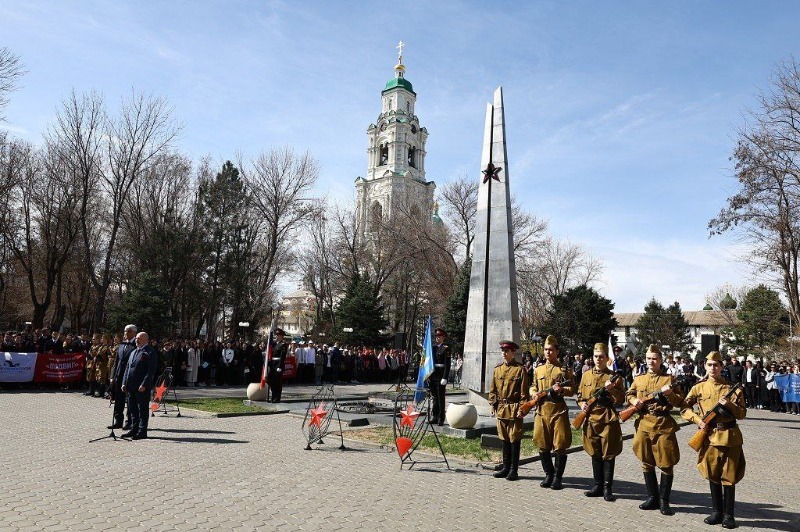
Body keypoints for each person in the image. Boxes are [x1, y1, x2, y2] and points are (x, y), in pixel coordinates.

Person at [681, 351, 747, 529]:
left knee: (729, 476)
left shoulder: (732, 389)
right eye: (709, 365)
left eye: (716, 365)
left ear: (722, 367)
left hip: (730, 437)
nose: (713, 368)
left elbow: (742, 414)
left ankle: (729, 515)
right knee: (713, 474)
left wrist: (729, 404)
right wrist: (698, 420)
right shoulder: (698, 388)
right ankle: (717, 512)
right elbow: (684, 408)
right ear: (705, 366)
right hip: (709, 436)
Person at [626, 344, 684, 516]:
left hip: (663, 424)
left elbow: (680, 401)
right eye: (649, 358)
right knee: (646, 461)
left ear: (660, 360)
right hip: (644, 423)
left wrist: (669, 394)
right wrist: (634, 401)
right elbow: (629, 394)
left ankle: (664, 501)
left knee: (666, 463)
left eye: (655, 359)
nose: (651, 361)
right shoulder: (639, 379)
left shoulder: (669, 379)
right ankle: (652, 497)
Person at [576, 343, 624, 501]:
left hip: (607, 418)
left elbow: (621, 399)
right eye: (596, 356)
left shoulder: (613, 376)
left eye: (601, 357)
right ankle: (597, 485)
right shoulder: (586, 375)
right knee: (594, 452)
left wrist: (612, 389)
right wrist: (582, 405)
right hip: (591, 418)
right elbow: (580, 396)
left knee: (608, 454)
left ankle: (607, 488)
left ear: (606, 358)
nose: (598, 359)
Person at [531, 335, 574, 490]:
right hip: (542, 411)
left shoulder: (563, 370)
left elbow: (572, 389)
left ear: (557, 351)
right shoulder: (538, 370)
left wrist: (561, 389)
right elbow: (533, 386)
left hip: (558, 411)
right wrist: (533, 393)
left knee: (560, 445)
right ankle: (548, 474)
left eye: (551, 350)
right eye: (545, 350)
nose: (548, 352)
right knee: (542, 445)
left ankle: (558, 478)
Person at [489, 340, 530, 481]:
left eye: (507, 351)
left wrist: (522, 409)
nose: (504, 353)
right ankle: (505, 467)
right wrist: (492, 404)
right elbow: (493, 390)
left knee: (514, 439)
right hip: (501, 408)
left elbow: (524, 394)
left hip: (514, 409)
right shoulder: (497, 369)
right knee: (504, 439)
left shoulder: (520, 370)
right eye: (502, 351)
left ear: (513, 353)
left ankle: (514, 470)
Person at [121, 332, 159, 440]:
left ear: (146, 340)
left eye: (139, 338)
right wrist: (124, 382)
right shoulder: (134, 351)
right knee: (132, 408)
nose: (137, 340)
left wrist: (144, 384)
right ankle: (134, 428)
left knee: (142, 409)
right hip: (131, 385)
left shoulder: (150, 352)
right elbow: (128, 368)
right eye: (136, 338)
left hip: (141, 387)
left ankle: (142, 431)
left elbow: (150, 371)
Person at [108, 325, 137, 430]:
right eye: (125, 331)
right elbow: (116, 362)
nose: (126, 333)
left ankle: (129, 422)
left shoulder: (136, 345)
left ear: (134, 333)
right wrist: (112, 375)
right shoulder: (121, 345)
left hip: (130, 376)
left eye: (128, 331)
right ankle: (118, 421)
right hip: (119, 376)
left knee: (129, 400)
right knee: (118, 400)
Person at [429, 328, 452, 426]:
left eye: (439, 336)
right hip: (433, 375)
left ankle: (441, 418)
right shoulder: (432, 348)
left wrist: (445, 377)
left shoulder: (446, 348)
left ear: (443, 337)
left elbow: (447, 364)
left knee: (440, 397)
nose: (437, 338)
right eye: (436, 336)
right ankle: (435, 416)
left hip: (440, 375)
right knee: (434, 397)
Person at [267, 328, 288, 403]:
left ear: (281, 336)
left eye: (278, 335)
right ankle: (273, 396)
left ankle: (277, 397)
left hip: (278, 364)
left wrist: (280, 366)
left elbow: (282, 357)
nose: (276, 336)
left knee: (277, 382)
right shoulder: (274, 344)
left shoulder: (283, 345)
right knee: (271, 381)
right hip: (272, 365)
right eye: (276, 335)